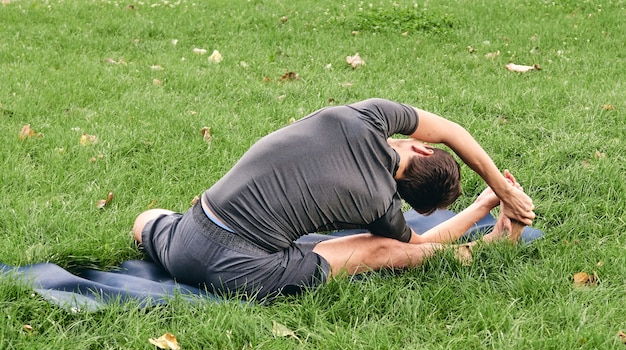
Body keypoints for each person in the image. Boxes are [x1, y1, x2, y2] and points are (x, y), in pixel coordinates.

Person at [133, 98, 535, 300]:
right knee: (377, 248)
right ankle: (477, 249)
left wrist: (493, 190)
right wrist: (489, 203)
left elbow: (450, 130)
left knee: (145, 218)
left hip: (188, 238)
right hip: (241, 272)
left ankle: (160, 231)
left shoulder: (366, 116)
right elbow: (417, 243)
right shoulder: (379, 205)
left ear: (424, 149)